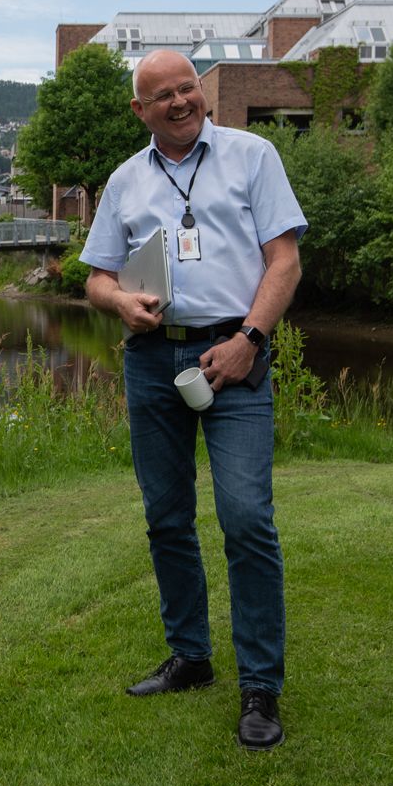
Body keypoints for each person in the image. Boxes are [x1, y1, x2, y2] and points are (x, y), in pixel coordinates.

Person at [79, 50, 306, 750]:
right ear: (139, 110)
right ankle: (191, 657)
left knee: (245, 518)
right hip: (153, 360)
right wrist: (120, 302)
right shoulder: (124, 180)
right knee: (166, 517)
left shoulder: (252, 155)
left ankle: (260, 685)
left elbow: (285, 259)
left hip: (233, 357)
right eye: (163, 95)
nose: (180, 102)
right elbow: (94, 278)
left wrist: (250, 338)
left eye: (188, 89)